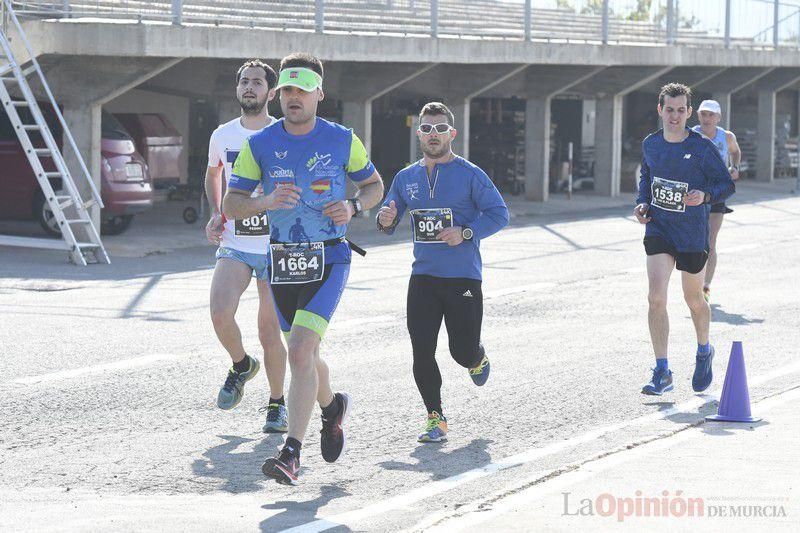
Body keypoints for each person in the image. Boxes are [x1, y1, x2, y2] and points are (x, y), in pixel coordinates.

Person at [223, 53, 384, 485]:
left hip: (330, 257)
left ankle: (291, 453)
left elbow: (374, 185)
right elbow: (230, 204)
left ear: (319, 94)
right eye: (288, 90)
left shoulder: (342, 139)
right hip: (282, 261)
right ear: (280, 94)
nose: (294, 97)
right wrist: (265, 202)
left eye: (302, 89)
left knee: (298, 351)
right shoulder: (260, 145)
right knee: (307, 354)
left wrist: (353, 205)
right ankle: (331, 408)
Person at [376, 102, 509, 443]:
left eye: (439, 129)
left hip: (463, 277)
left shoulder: (471, 174)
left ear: (452, 133)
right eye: (426, 129)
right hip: (423, 277)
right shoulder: (406, 178)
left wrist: (465, 232)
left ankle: (476, 357)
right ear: (418, 133)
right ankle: (436, 418)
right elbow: (388, 217)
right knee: (422, 349)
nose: (433, 135)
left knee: (460, 352)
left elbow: (499, 214)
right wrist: (384, 219)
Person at [634, 83, 735, 396]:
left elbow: (726, 185)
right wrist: (641, 203)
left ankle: (704, 350)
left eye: (680, 110)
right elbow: (646, 179)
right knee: (655, 298)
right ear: (660, 110)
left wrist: (704, 195)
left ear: (689, 112)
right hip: (659, 228)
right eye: (669, 109)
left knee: (694, 300)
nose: (674, 116)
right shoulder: (651, 144)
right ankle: (662, 370)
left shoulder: (702, 147)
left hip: (691, 233)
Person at [205, 60, 288, 433]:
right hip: (235, 242)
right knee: (220, 313)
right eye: (243, 82)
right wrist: (216, 212)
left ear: (271, 92)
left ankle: (277, 403)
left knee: (269, 331)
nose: (249, 87)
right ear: (237, 89)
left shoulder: (285, 132)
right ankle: (242, 365)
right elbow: (214, 173)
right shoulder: (222, 135)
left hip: (275, 247)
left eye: (257, 82)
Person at [691, 99, 742, 302]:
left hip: (717, 193)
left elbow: (736, 152)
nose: (707, 118)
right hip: (695, 192)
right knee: (695, 240)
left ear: (719, 118)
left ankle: (705, 287)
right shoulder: (691, 134)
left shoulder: (726, 137)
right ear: (698, 115)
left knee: (710, 243)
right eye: (704, 114)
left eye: (711, 115)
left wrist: (735, 167)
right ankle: (692, 281)